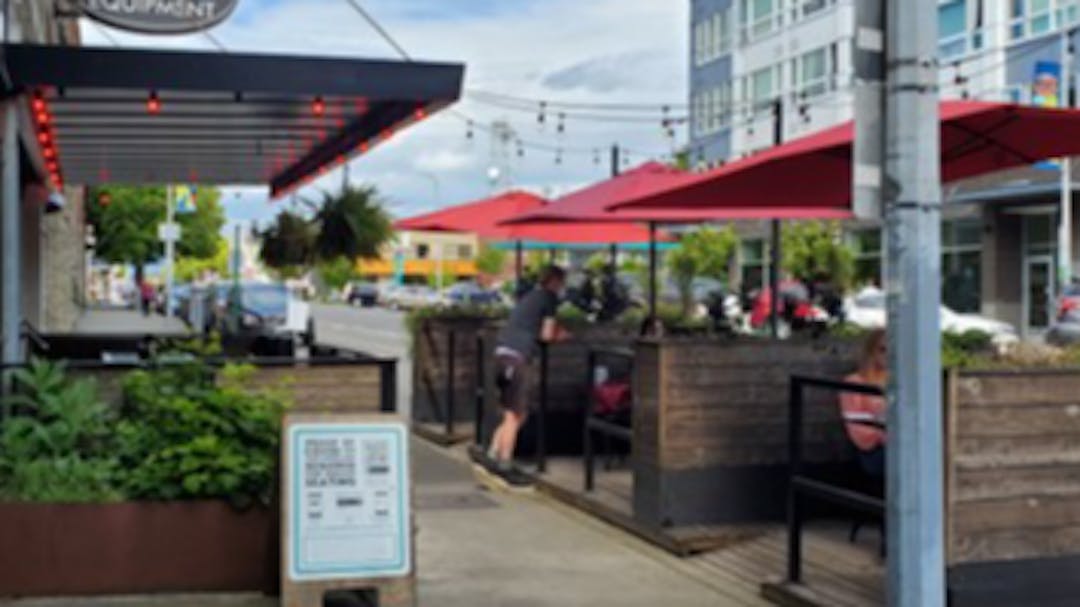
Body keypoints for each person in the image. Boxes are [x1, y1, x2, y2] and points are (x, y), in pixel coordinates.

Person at [481, 265, 569, 488]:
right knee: (516, 415)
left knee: (513, 413)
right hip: (518, 358)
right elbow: (546, 334)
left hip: (501, 355)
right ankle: (505, 463)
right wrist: (562, 336)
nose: (562, 288)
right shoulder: (549, 299)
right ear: (555, 282)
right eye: (561, 283)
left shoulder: (529, 296)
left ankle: (492, 452)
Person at [839, 329, 887, 478]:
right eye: (882, 349)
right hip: (874, 451)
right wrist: (883, 435)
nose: (888, 355)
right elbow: (858, 430)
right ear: (871, 351)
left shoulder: (899, 381)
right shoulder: (854, 382)